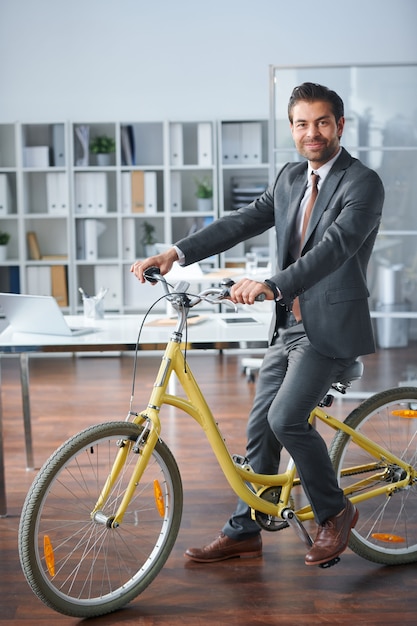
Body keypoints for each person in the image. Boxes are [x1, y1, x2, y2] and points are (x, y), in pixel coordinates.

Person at [131, 82, 384, 567]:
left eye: (322, 122)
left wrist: (271, 283)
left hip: (329, 327)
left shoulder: (361, 182)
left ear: (340, 126)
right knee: (259, 432)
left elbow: (334, 248)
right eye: (302, 124)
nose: (312, 133)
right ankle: (245, 529)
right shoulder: (290, 178)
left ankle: (335, 513)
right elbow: (241, 222)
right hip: (288, 325)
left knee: (286, 418)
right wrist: (176, 254)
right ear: (292, 129)